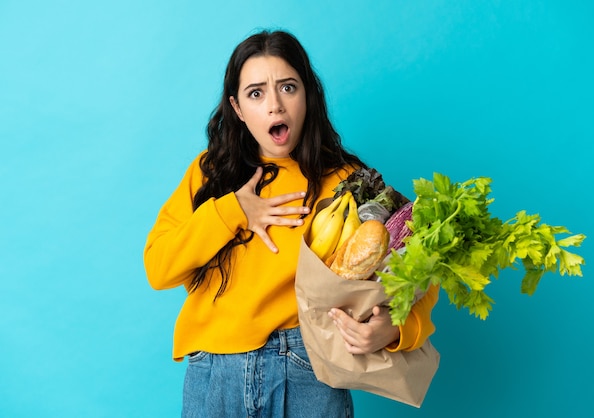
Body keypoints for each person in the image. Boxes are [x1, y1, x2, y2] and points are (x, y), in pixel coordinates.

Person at [144, 29, 439, 418]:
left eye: (287, 87)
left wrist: (397, 330)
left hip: (307, 371)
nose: (274, 107)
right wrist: (233, 211)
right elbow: (159, 268)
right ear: (236, 107)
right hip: (215, 373)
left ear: (308, 95)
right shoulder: (210, 174)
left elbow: (417, 268)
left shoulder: (349, 182)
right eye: (256, 93)